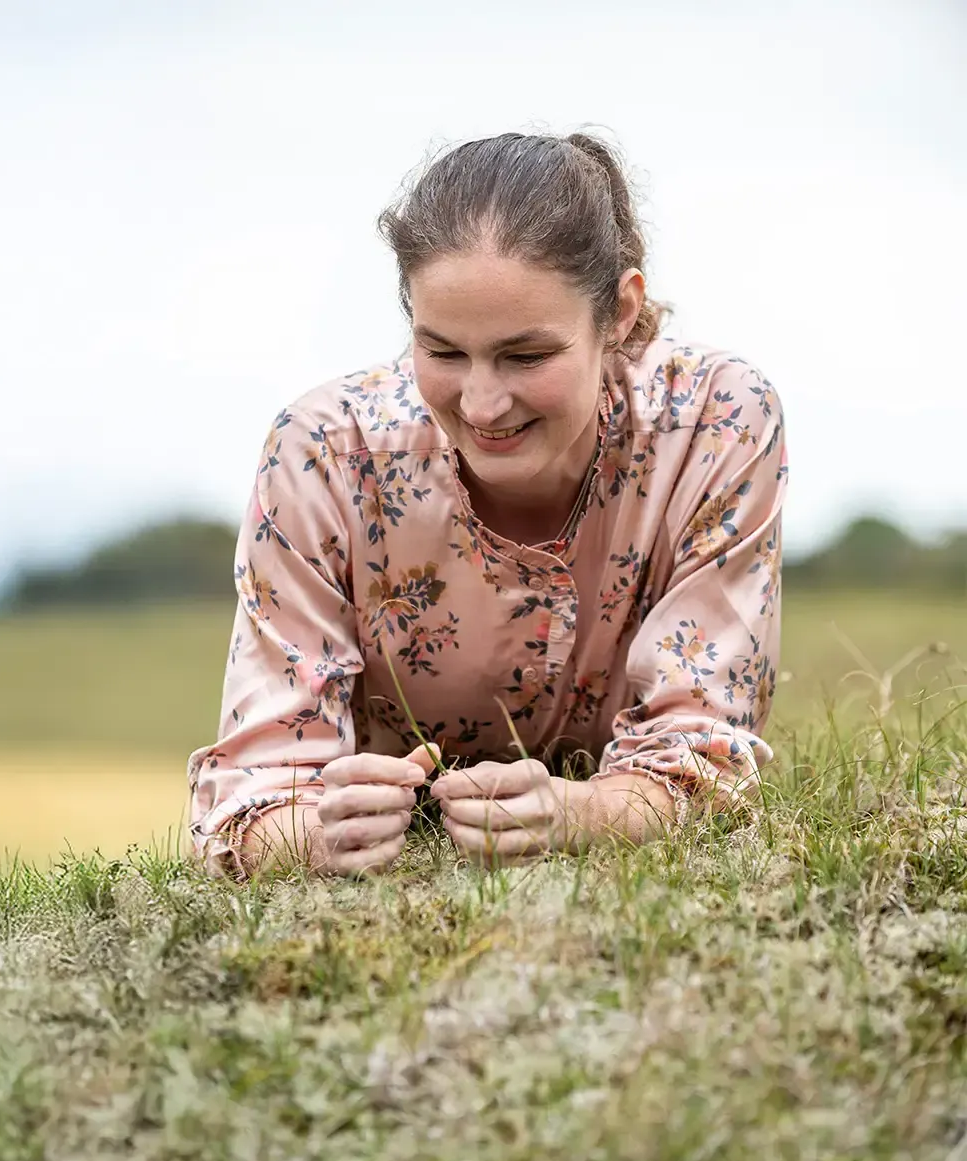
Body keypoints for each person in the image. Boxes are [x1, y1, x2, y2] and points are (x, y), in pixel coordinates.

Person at [187, 130, 787, 880]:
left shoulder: (715, 424)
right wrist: (318, 834)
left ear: (622, 312)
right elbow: (243, 806)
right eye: (442, 352)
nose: (482, 402)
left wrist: (576, 812)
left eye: (526, 356)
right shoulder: (324, 454)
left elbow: (710, 764)